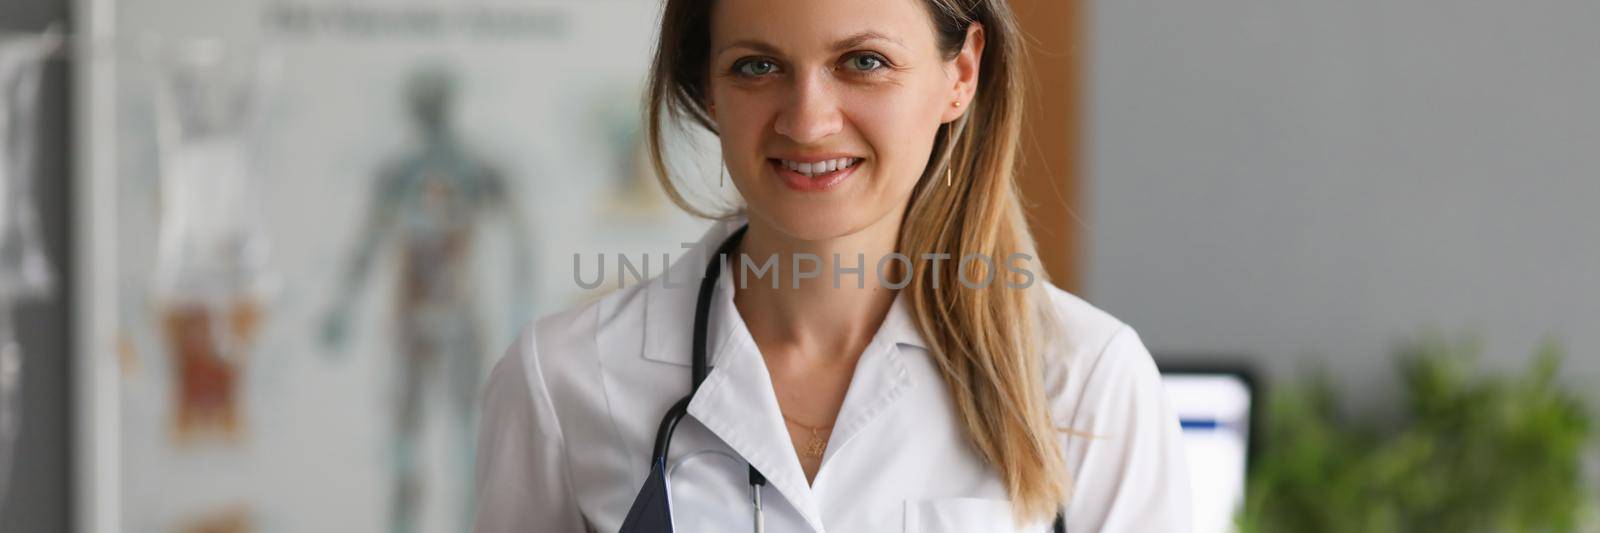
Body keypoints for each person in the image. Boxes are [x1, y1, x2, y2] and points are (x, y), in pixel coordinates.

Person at [474, 0, 1192, 531]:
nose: (808, 120)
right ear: (708, 89)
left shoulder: (1088, 382)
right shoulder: (562, 382)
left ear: (961, 73)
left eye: (864, 62)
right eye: (757, 66)